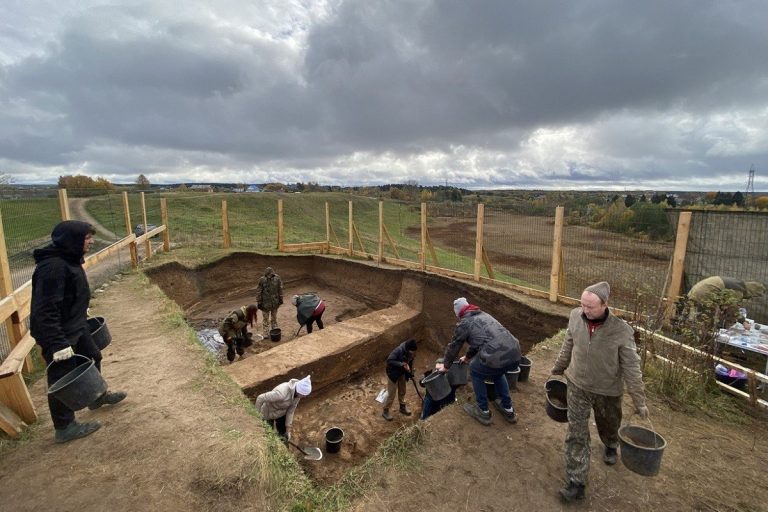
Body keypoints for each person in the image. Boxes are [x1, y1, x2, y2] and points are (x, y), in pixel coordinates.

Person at [550, 281, 649, 503]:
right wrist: (558, 368)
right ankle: (576, 482)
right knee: (577, 433)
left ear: (605, 304)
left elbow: (632, 368)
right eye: (582, 305)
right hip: (577, 385)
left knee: (608, 423)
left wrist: (639, 400)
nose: (585, 310)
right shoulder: (575, 316)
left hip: (607, 390)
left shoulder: (621, 331)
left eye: (590, 307)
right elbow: (568, 344)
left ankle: (611, 444)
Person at [30, 220, 127, 443]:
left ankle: (96, 396)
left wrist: (80, 309)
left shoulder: (69, 259)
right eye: (87, 238)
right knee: (62, 377)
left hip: (75, 324)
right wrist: (57, 344)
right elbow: (45, 310)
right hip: (59, 333)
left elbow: (68, 295)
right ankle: (64, 427)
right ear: (72, 240)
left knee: (93, 356)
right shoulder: (52, 267)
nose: (91, 241)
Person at [436, 298, 520, 426]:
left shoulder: (464, 323)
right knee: (497, 373)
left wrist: (446, 366)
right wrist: (468, 357)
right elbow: (479, 342)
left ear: (459, 313)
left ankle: (483, 411)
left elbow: (454, 346)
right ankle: (508, 409)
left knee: (475, 370)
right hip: (515, 353)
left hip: (498, 355)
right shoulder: (483, 315)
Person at [255, 375, 312, 442]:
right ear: (299, 391)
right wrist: (256, 415)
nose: (304, 396)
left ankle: (283, 444)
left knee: (283, 434)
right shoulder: (281, 394)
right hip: (268, 413)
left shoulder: (297, 396)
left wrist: (288, 430)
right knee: (268, 434)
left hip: (281, 413)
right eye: (304, 394)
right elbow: (260, 398)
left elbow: (290, 411)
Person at [382, 339, 418, 421]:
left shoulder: (411, 353)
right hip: (393, 374)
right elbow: (389, 360)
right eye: (412, 352)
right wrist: (402, 364)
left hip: (402, 373)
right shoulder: (398, 350)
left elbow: (410, 363)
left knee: (402, 390)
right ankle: (385, 411)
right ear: (408, 349)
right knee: (391, 394)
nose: (413, 354)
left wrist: (410, 374)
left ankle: (402, 407)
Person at [256, 267, 284, 338]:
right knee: (265, 319)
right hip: (265, 304)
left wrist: (281, 298)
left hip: (275, 302)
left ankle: (274, 329)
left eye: (271, 275)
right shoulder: (262, 280)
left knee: (274, 318)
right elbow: (259, 291)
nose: (269, 276)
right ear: (266, 274)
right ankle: (266, 333)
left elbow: (280, 289)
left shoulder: (277, 278)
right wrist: (259, 302)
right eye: (268, 275)